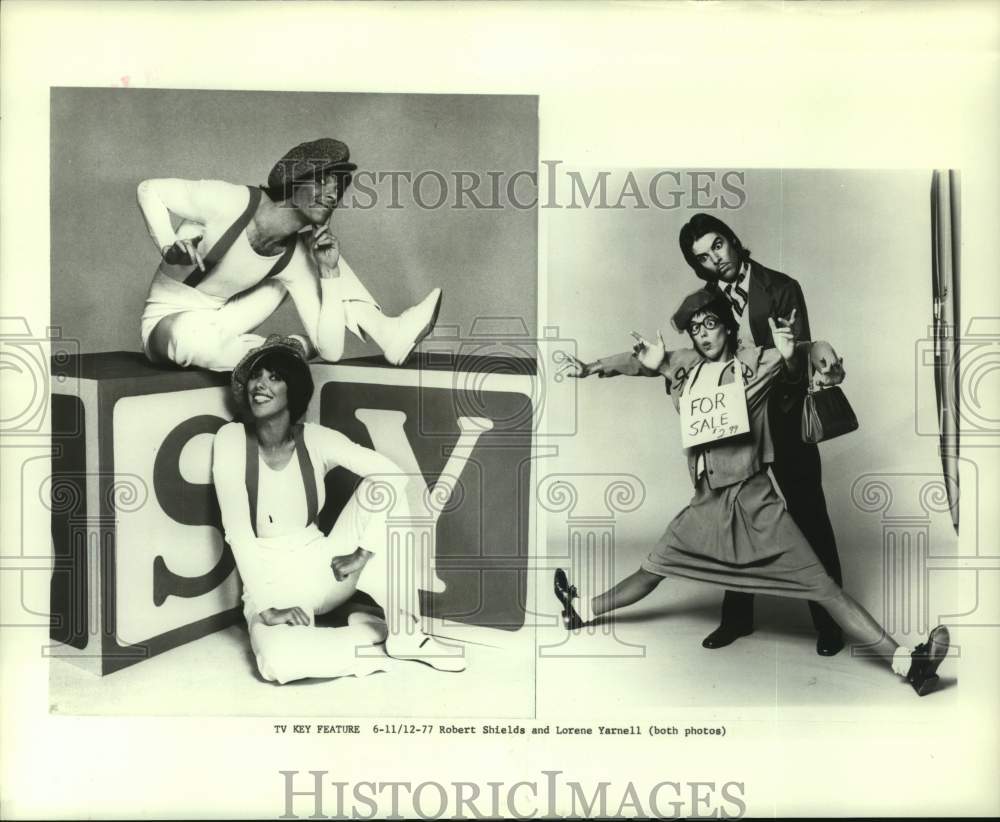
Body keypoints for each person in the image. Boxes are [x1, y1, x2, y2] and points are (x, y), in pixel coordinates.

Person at [555, 287, 949, 696]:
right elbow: (640, 362)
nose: (703, 335)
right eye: (694, 329)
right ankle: (580, 610)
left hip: (755, 500)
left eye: (710, 324)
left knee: (826, 589)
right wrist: (589, 367)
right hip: (707, 503)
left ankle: (911, 665)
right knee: (652, 570)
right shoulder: (685, 365)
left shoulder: (757, 361)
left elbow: (811, 350)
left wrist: (819, 358)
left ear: (728, 326)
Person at [211, 335, 465, 684]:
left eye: (275, 377)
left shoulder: (315, 438)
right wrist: (268, 608)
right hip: (270, 584)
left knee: (383, 485)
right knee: (278, 662)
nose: (260, 385)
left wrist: (363, 552)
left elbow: (391, 474)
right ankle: (367, 634)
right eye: (257, 375)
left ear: (293, 390)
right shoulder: (230, 440)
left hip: (326, 571)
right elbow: (238, 532)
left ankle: (405, 634)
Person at [677, 213, 846, 656]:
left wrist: (790, 355)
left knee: (809, 518)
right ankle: (737, 618)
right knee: (736, 521)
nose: (715, 259)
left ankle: (830, 622)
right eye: (703, 257)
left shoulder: (782, 286)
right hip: (737, 433)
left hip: (787, 424)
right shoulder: (705, 300)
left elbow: (797, 367)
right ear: (698, 267)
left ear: (733, 240)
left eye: (718, 246)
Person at [138, 137, 442, 372]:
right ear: (295, 179)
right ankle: (285, 350)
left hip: (224, 320)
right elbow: (149, 189)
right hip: (168, 322)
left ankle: (387, 332)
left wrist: (329, 273)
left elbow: (332, 351)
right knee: (190, 336)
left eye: (338, 186)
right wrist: (167, 245)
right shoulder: (230, 201)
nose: (333, 194)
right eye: (322, 181)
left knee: (317, 251)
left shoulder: (294, 257)